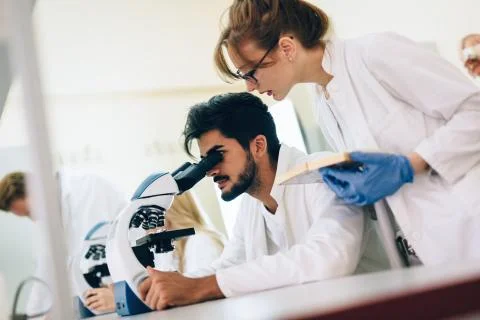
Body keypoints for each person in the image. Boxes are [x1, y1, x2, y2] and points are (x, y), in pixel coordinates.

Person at [213, 0, 480, 266]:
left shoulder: (374, 53)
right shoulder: (323, 104)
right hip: (425, 254)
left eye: (251, 73)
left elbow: (474, 110)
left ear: (286, 47)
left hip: (468, 229)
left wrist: (410, 164)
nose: (249, 87)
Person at [136, 92, 379, 311]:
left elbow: (330, 258)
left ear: (258, 146)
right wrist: (166, 287)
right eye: (204, 162)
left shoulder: (323, 174)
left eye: (216, 156)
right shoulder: (252, 202)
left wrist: (202, 287)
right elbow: (231, 264)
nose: (210, 171)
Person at [0, 169, 128, 315]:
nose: (34, 219)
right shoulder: (49, 217)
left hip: (123, 295)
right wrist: (33, 315)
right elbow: (45, 272)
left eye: (30, 212)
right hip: (94, 305)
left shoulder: (90, 188)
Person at [83, 192, 225, 312]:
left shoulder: (202, 242)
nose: (145, 227)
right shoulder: (169, 251)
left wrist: (123, 301)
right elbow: (162, 292)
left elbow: (195, 297)